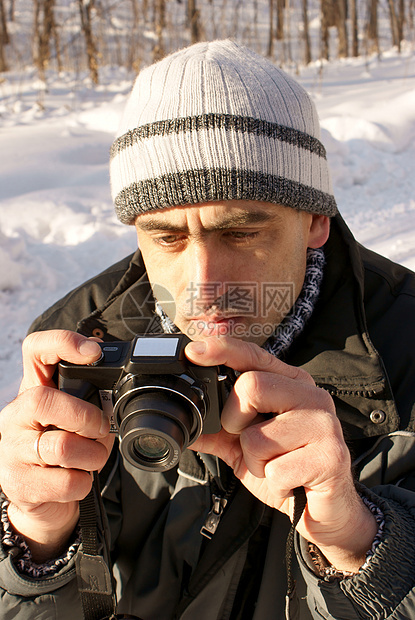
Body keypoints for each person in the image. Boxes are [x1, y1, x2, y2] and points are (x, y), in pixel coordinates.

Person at [0, 39, 415, 620]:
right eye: (167, 238)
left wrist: (360, 543)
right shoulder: (77, 341)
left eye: (241, 232)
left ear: (316, 219)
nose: (203, 284)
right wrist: (35, 541)